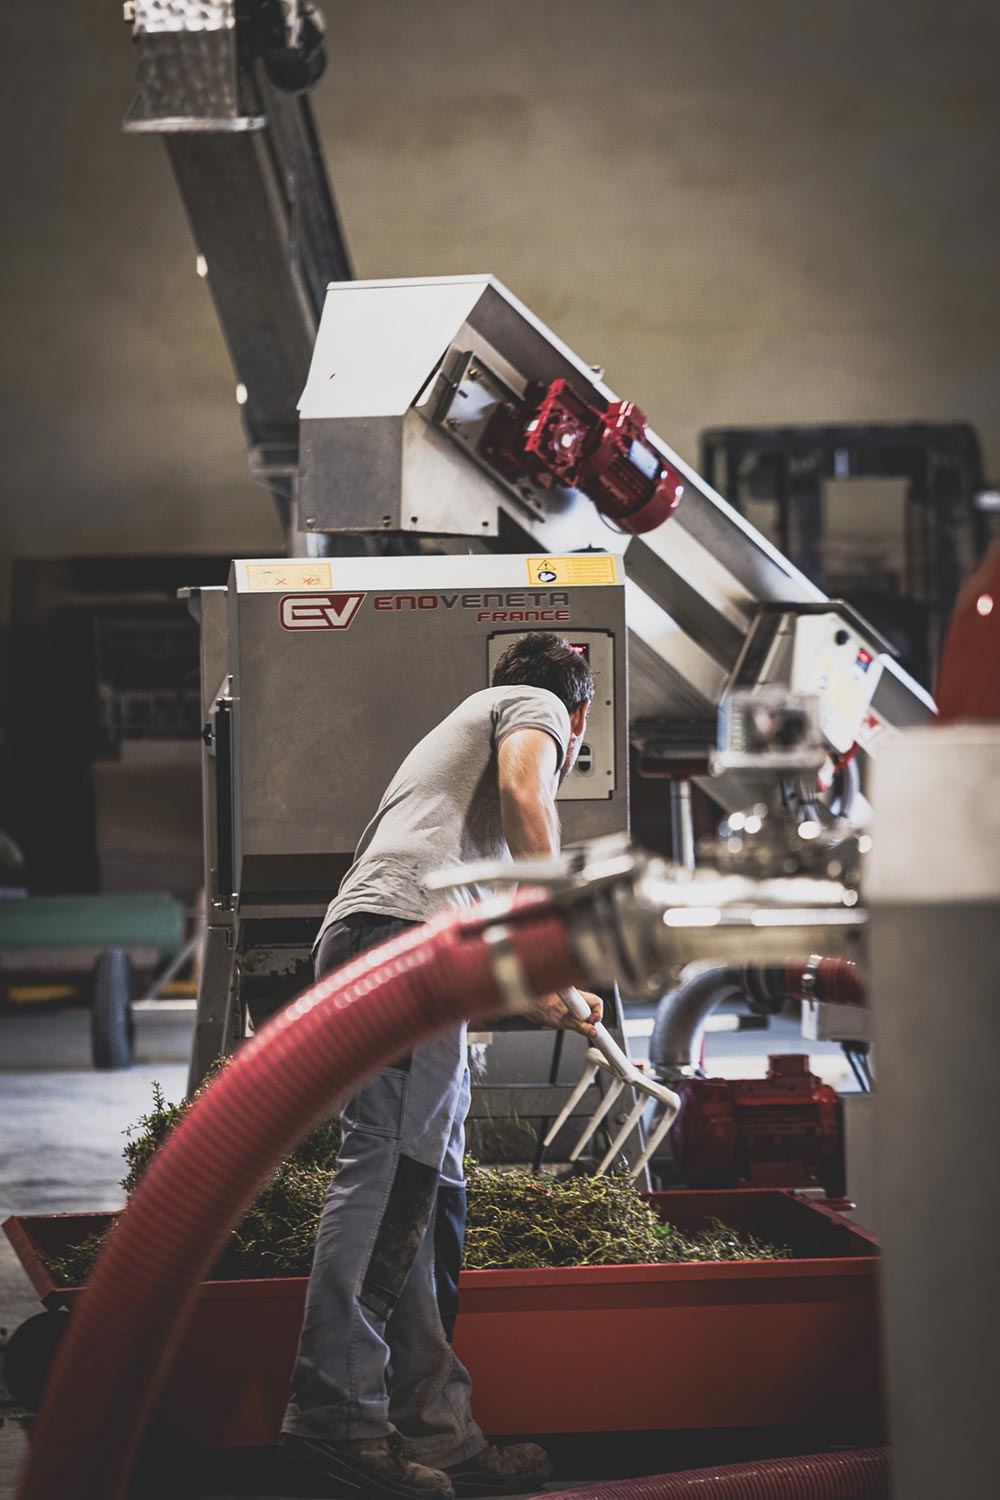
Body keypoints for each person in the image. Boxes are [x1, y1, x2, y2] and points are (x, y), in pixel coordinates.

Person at [280, 632, 605, 1500]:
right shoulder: (535, 709)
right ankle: (335, 1417)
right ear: (580, 714)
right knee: (387, 1174)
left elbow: (474, 884)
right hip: (403, 938)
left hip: (405, 940)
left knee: (430, 1187)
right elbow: (526, 793)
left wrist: (541, 992)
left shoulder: (468, 740)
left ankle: (437, 1427)